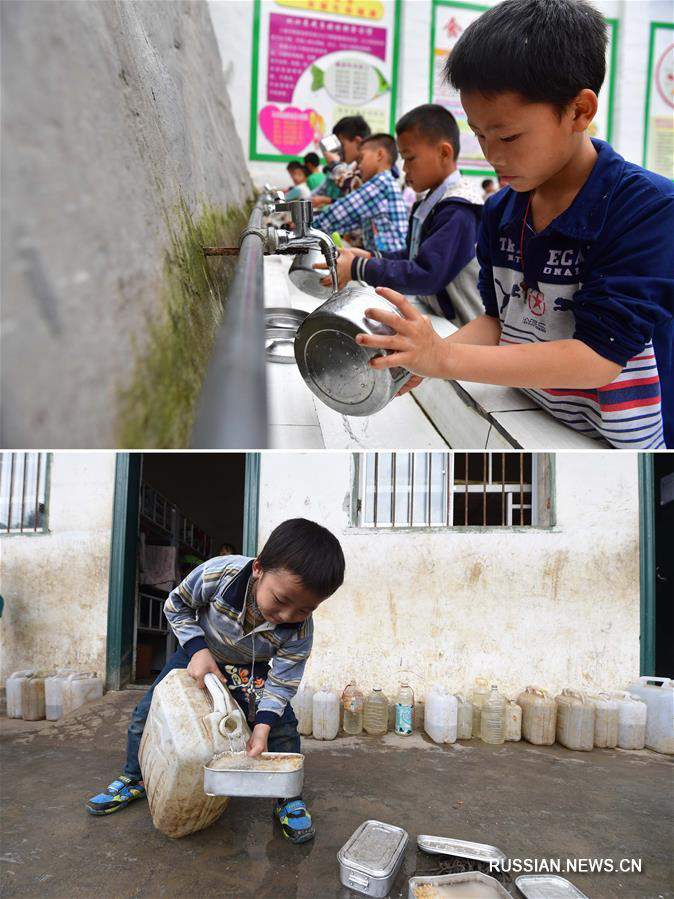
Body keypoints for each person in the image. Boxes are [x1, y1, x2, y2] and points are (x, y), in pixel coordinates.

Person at [354, 0, 674, 449]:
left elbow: (598, 359)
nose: (492, 155)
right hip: (532, 414)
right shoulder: (502, 211)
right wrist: (417, 360)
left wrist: (444, 357)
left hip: (613, 443)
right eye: (481, 135)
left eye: (508, 136)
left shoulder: (647, 209)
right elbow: (497, 321)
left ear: (580, 111)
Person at [85, 518, 346, 845]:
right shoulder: (218, 574)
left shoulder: (300, 630)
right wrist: (196, 650)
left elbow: (282, 681)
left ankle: (287, 796)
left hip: (253, 666)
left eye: (303, 610)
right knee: (147, 713)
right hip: (200, 652)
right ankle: (134, 777)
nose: (286, 616)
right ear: (258, 569)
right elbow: (176, 605)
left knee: (282, 729)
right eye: (280, 601)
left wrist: (262, 725)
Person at [319, 105, 484, 325]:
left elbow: (427, 274)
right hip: (436, 314)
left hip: (462, 327)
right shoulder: (431, 201)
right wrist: (371, 257)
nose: (404, 168)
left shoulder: (458, 209)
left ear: (444, 153)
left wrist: (359, 267)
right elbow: (413, 255)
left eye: (409, 158)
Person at [312, 133, 408, 256]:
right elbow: (348, 221)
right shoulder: (384, 182)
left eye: (361, 158)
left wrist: (309, 230)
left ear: (379, 155)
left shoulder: (381, 183)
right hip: (386, 261)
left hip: (390, 263)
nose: (359, 166)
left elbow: (341, 211)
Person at [312, 115, 371, 208]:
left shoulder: (370, 168)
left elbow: (355, 195)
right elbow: (348, 199)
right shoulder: (354, 167)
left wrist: (335, 165)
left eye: (342, 145)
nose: (340, 151)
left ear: (357, 141)